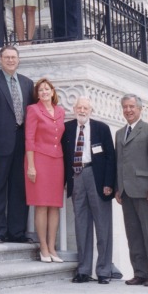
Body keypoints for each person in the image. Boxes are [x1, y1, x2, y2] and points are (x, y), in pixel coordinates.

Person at [0, 46, 34, 243]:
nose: (10, 60)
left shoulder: (28, 83)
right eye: (7, 57)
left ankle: (17, 232)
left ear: (18, 60)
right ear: (1, 60)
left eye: (13, 57)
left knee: (20, 188)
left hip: (22, 142)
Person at [62, 96, 115, 284]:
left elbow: (111, 157)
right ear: (74, 109)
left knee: (103, 226)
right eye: (79, 107)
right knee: (81, 225)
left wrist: (109, 183)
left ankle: (103, 271)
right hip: (77, 177)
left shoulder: (101, 128)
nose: (82, 111)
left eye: (86, 108)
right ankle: (83, 270)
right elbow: (63, 156)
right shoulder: (67, 129)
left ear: (91, 111)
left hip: (97, 177)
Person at [115, 94, 148, 287]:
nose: (128, 110)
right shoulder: (119, 133)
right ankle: (140, 272)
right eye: (125, 107)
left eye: (131, 107)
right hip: (126, 192)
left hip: (146, 191)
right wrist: (118, 187)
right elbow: (119, 162)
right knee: (133, 235)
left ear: (140, 109)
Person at [25, 77, 66, 262]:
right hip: (39, 160)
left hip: (57, 161)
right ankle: (43, 247)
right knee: (41, 204)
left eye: (47, 89)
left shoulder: (60, 111)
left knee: (55, 205)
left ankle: (52, 247)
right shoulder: (33, 110)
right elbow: (29, 139)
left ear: (52, 91)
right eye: (40, 90)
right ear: (37, 94)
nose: (44, 92)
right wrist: (31, 166)